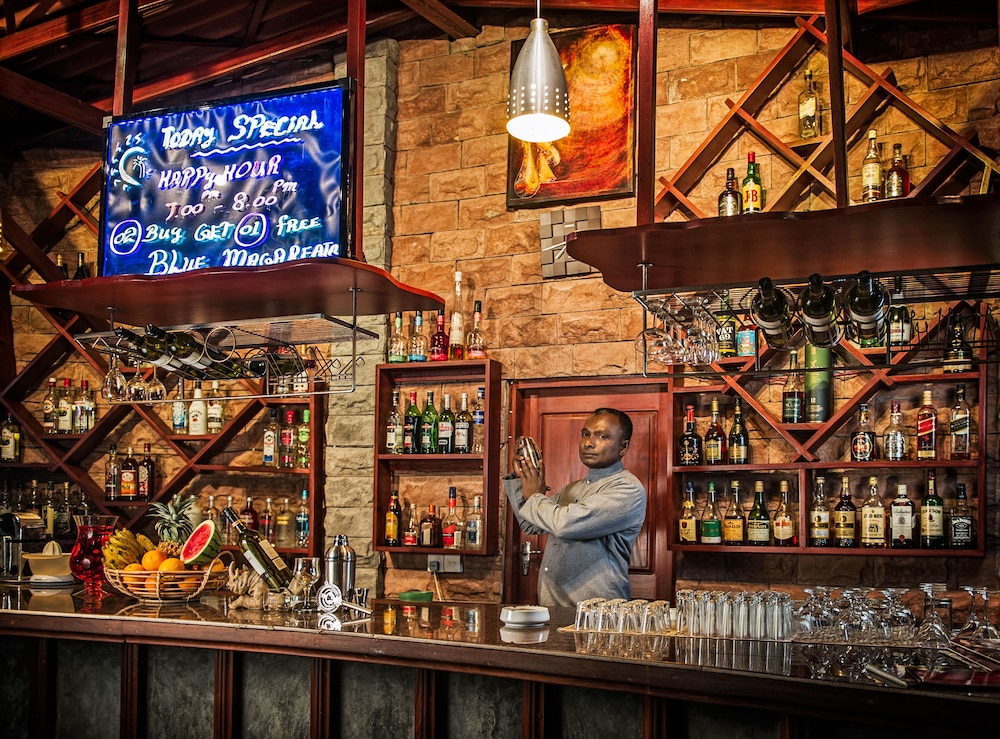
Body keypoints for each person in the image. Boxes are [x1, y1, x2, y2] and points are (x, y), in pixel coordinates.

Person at [504, 408, 646, 607]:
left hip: (597, 617)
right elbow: (530, 524)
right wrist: (523, 479)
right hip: (554, 610)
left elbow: (564, 525)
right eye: (585, 434)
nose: (589, 442)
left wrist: (534, 495)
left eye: (602, 436)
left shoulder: (627, 489)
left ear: (623, 447)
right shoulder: (573, 488)